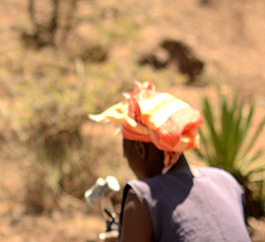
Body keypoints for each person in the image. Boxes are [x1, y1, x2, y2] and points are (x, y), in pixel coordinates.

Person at [90, 82, 250, 242]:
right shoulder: (226, 182)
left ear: (140, 149)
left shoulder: (143, 196)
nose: (128, 162)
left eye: (127, 155)